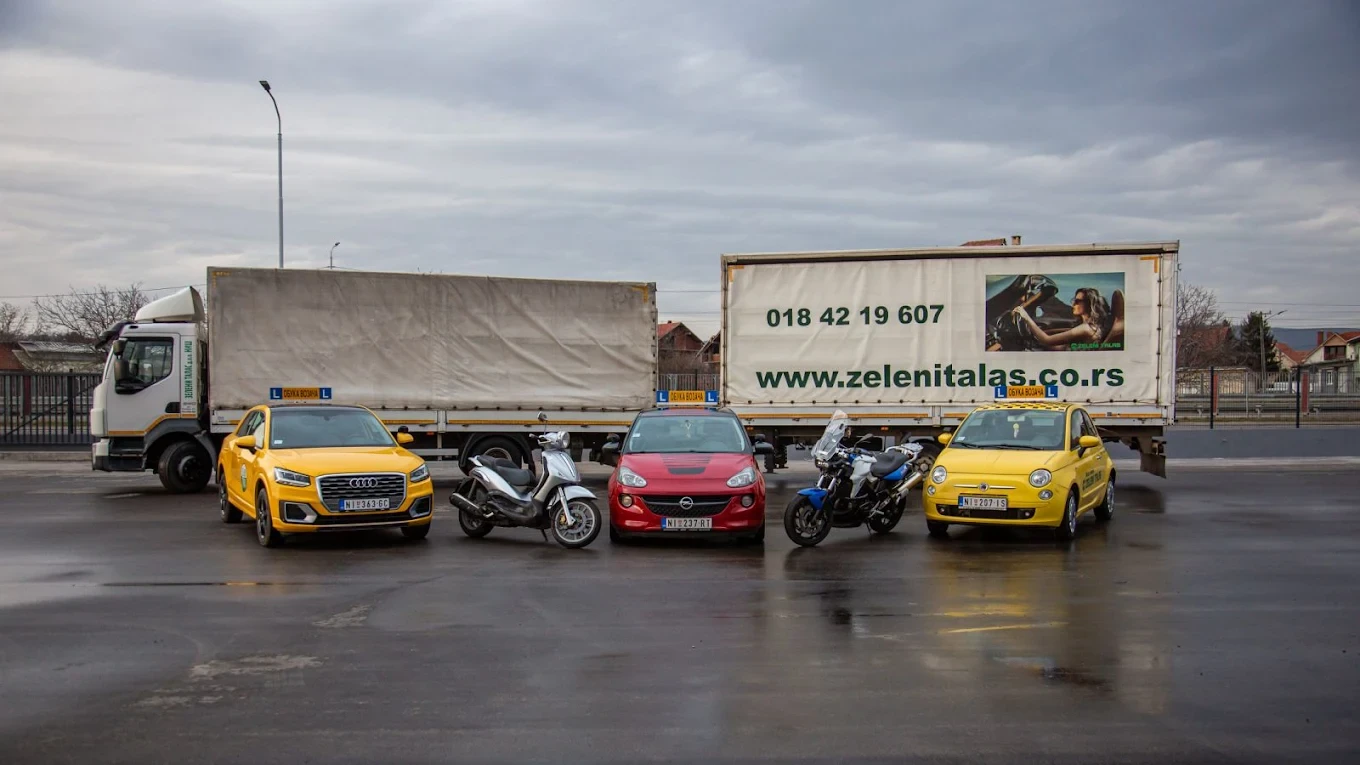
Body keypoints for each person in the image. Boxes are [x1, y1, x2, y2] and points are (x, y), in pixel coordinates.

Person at [1011, 287, 1112, 351]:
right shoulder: (1089, 326)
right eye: (1074, 300)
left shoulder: (1086, 328)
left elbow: (1047, 340)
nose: (1073, 304)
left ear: (1089, 304)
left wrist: (1026, 317)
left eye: (1077, 301)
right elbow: (1063, 347)